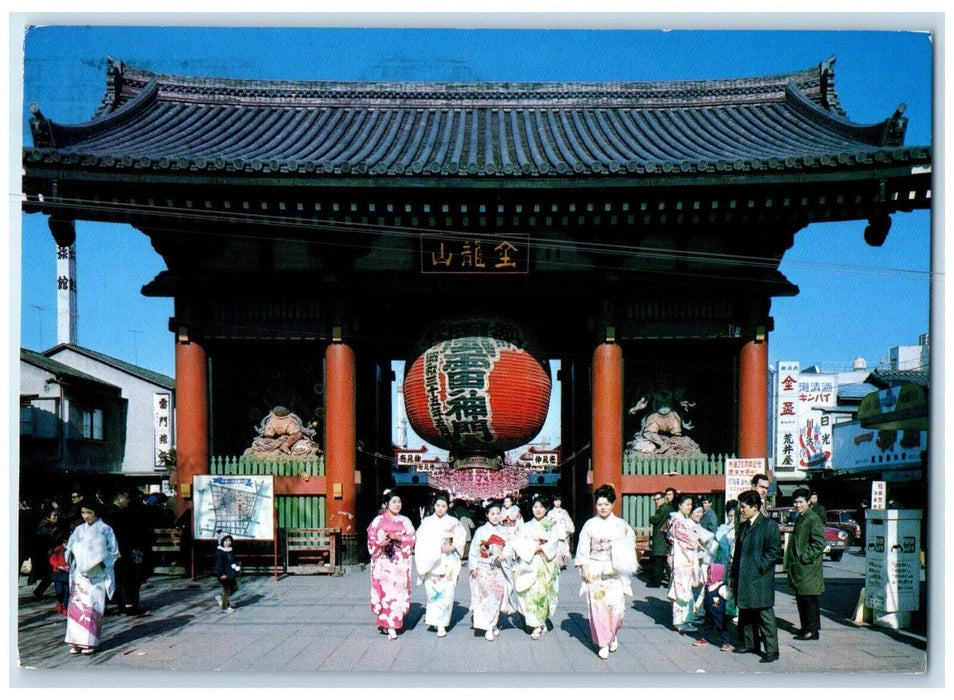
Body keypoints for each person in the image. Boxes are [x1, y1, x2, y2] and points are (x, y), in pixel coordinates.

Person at [575, 484, 638, 659]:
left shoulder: (621, 525)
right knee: (598, 608)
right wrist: (584, 566)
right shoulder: (590, 524)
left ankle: (612, 634)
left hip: (614, 569)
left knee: (617, 609)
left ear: (612, 504)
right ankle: (603, 642)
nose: (602, 507)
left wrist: (623, 555)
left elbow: (630, 541)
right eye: (600, 504)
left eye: (606, 504)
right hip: (595, 568)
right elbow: (583, 548)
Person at [730, 489, 782, 663]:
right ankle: (750, 644)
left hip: (760, 578)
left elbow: (774, 552)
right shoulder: (744, 526)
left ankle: (772, 650)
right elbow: (737, 553)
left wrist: (760, 567)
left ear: (754, 507)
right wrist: (733, 574)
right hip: (744, 577)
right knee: (745, 613)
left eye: (743, 507)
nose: (741, 510)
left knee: (764, 614)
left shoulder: (769, 525)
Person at [64, 498, 120, 655]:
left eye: (89, 512)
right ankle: (75, 640)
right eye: (83, 512)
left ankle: (90, 642)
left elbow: (114, 552)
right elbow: (69, 547)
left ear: (97, 513)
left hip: (96, 574)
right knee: (77, 607)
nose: (85, 516)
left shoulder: (105, 529)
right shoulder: (78, 529)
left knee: (93, 607)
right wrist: (73, 553)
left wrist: (100, 561)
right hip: (79, 575)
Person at [504, 493, 560, 640]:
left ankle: (538, 624)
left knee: (541, 594)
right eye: (535, 506)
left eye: (541, 507)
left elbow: (553, 543)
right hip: (528, 563)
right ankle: (536, 623)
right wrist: (530, 548)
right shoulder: (526, 526)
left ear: (547, 509)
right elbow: (518, 543)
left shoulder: (552, 526)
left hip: (544, 563)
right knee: (526, 592)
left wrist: (539, 548)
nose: (538, 509)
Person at [414, 492, 466, 637]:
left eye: (443, 506)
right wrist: (436, 548)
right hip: (432, 562)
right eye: (438, 505)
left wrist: (453, 546)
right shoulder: (427, 522)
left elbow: (461, 538)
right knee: (432, 594)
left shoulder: (454, 522)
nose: (440, 508)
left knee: (447, 594)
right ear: (434, 505)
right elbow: (420, 540)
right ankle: (434, 620)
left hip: (448, 560)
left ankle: (442, 624)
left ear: (448, 507)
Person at [366, 489, 416, 640]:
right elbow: (371, 540)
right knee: (385, 592)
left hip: (399, 562)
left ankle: (392, 623)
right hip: (383, 562)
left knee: (397, 592)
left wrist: (398, 538)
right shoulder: (378, 521)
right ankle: (388, 624)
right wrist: (381, 543)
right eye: (394, 502)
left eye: (399, 502)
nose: (397, 504)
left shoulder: (405, 521)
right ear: (387, 504)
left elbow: (412, 538)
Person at [785, 487, 826, 641]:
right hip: (800, 567)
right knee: (801, 598)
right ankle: (805, 627)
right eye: (795, 502)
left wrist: (804, 557)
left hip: (808, 567)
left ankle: (813, 630)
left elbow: (819, 543)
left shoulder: (813, 519)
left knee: (810, 600)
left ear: (809, 502)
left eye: (801, 502)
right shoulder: (801, 517)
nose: (798, 505)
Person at [468, 500, 511, 641]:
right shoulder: (481, 531)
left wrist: (504, 555)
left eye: (498, 513)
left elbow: (510, 548)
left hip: (498, 568)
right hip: (484, 567)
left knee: (496, 596)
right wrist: (473, 567)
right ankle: (488, 626)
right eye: (492, 514)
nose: (496, 516)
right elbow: (474, 550)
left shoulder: (504, 530)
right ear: (487, 515)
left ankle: (492, 624)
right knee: (485, 597)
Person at [668, 494, 702, 633]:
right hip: (682, 558)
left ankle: (686, 619)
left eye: (690, 504)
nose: (690, 507)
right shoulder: (678, 521)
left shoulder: (679, 520)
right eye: (687, 504)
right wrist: (697, 541)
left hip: (682, 558)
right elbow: (688, 540)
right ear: (679, 506)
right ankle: (680, 621)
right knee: (681, 590)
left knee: (684, 589)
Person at [691, 561, 732, 651]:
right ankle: (704, 638)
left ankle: (725, 642)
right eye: (708, 574)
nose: (708, 576)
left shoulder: (721, 587)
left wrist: (729, 591)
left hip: (718, 612)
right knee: (707, 625)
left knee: (721, 626)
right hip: (708, 610)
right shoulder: (706, 586)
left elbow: (728, 596)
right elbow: (701, 596)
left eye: (710, 574)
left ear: (716, 575)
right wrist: (697, 605)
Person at [647, 491, 673, 587]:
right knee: (664, 561)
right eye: (655, 499)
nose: (656, 501)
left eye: (658, 499)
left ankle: (657, 582)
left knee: (659, 561)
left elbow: (655, 520)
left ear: (662, 499)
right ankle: (669, 579)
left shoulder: (662, 509)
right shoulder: (669, 508)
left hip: (660, 538)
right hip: (665, 538)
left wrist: (651, 517)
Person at [213, 532, 241, 612]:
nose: (228, 542)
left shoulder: (230, 550)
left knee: (235, 587)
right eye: (225, 541)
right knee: (227, 590)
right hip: (224, 574)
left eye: (229, 540)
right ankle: (225, 606)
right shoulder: (219, 552)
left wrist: (237, 567)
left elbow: (234, 561)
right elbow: (218, 565)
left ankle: (221, 598)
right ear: (222, 542)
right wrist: (221, 574)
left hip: (231, 573)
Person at [547, 496, 575, 569]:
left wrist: (569, 530)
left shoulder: (564, 512)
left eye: (559, 500)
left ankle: (559, 564)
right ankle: (557, 565)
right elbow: (547, 523)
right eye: (556, 501)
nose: (557, 502)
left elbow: (568, 521)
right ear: (553, 502)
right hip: (554, 533)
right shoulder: (550, 513)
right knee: (556, 549)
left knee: (562, 549)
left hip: (563, 533)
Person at [49, 538, 70, 615]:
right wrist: (59, 566)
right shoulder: (59, 549)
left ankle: (65, 606)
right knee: (59, 590)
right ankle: (59, 603)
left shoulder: (72, 549)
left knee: (67, 591)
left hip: (67, 573)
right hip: (58, 573)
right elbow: (52, 559)